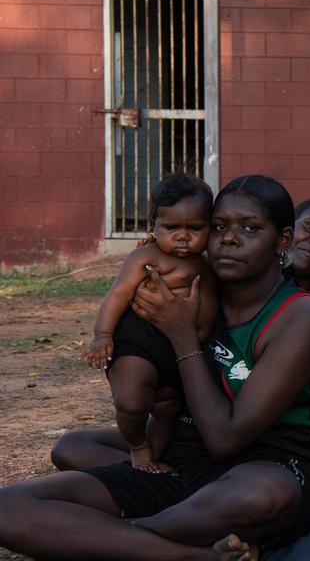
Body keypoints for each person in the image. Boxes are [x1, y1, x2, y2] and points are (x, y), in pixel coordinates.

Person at [0, 174, 310, 559]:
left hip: (263, 464)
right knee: (8, 507)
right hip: (181, 459)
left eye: (251, 228)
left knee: (261, 498)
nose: (229, 238)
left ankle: (109, 539)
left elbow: (227, 439)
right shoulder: (187, 287)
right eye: (220, 226)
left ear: (283, 240)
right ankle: (191, 555)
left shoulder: (300, 317)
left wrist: (182, 336)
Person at [80, 173, 220, 474]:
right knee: (131, 402)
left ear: (210, 227)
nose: (183, 236)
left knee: (168, 407)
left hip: (183, 351)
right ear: (153, 225)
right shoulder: (146, 256)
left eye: (195, 228)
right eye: (172, 227)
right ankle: (137, 445)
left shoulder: (212, 264)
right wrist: (102, 335)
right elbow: (118, 293)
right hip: (139, 341)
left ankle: (152, 459)